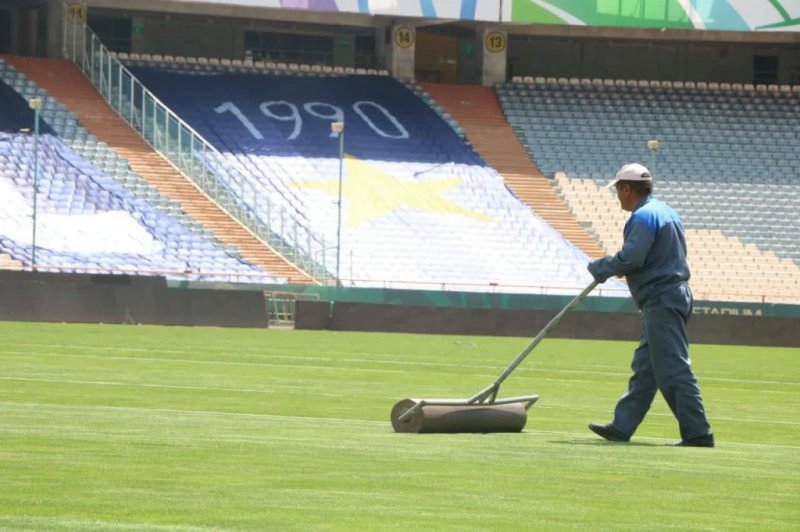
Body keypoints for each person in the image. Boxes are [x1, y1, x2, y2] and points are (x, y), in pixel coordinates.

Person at [586, 163, 714, 447]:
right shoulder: (667, 212)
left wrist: (601, 267)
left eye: (618, 190)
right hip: (671, 294)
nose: (617, 196)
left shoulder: (643, 217)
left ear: (627, 188)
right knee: (646, 368)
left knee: (673, 368)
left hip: (661, 298)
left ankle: (698, 433)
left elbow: (632, 258)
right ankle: (622, 426)